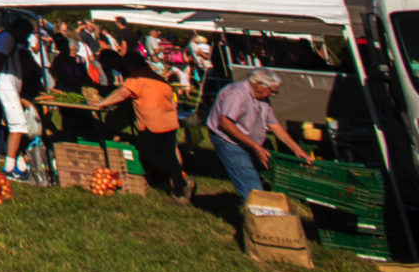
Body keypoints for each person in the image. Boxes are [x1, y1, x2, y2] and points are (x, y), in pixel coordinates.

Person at [206, 69, 315, 199]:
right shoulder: (237, 93)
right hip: (228, 140)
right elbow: (225, 123)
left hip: (248, 141)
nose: (273, 95)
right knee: (250, 182)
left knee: (262, 176)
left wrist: (297, 150)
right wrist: (256, 147)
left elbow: (274, 125)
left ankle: (261, 207)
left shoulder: (262, 98)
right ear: (258, 84)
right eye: (272, 91)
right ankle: (258, 214)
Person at [97, 55, 190, 201]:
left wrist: (103, 102)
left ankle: (173, 178)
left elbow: (122, 93)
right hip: (168, 120)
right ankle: (179, 188)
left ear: (132, 66)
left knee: (148, 153)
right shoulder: (157, 77)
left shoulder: (137, 79)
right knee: (169, 154)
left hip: (152, 123)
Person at [0, 16, 32, 177]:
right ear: (19, 29)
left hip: (11, 85)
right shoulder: (7, 38)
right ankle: (9, 167)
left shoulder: (10, 38)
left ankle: (20, 165)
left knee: (17, 125)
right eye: (26, 34)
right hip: (5, 85)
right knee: (18, 126)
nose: (26, 38)